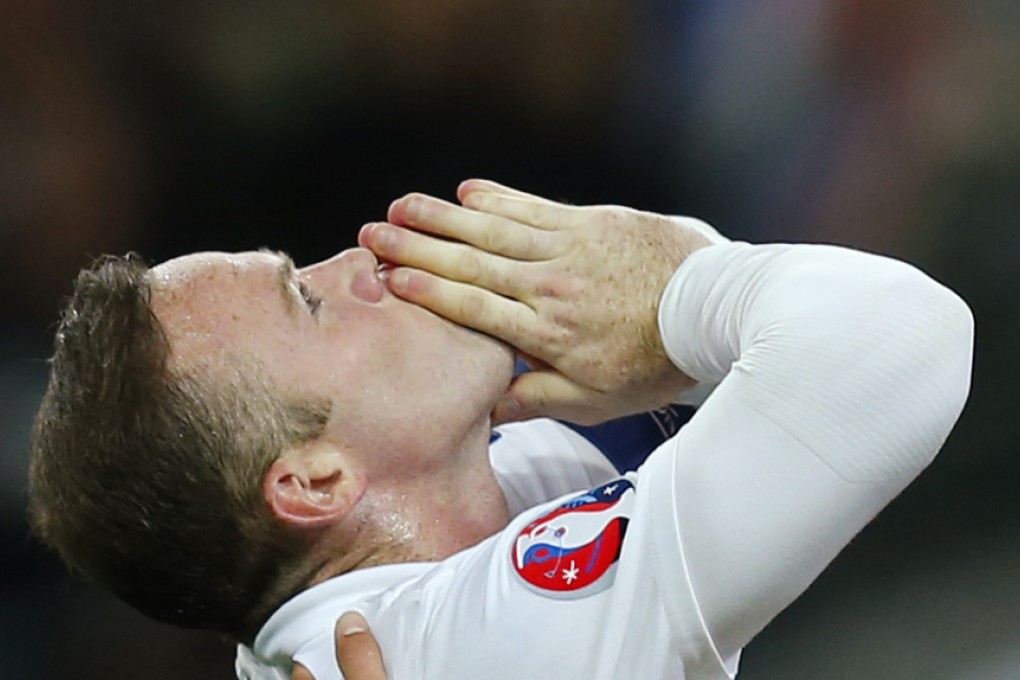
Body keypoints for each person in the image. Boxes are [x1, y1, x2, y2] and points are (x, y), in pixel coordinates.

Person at [28, 180, 973, 680]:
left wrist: (658, 312)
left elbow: (760, 356)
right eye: (309, 304)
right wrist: (679, 282)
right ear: (314, 483)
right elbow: (904, 341)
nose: (361, 257)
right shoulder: (481, 643)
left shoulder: (403, 561)